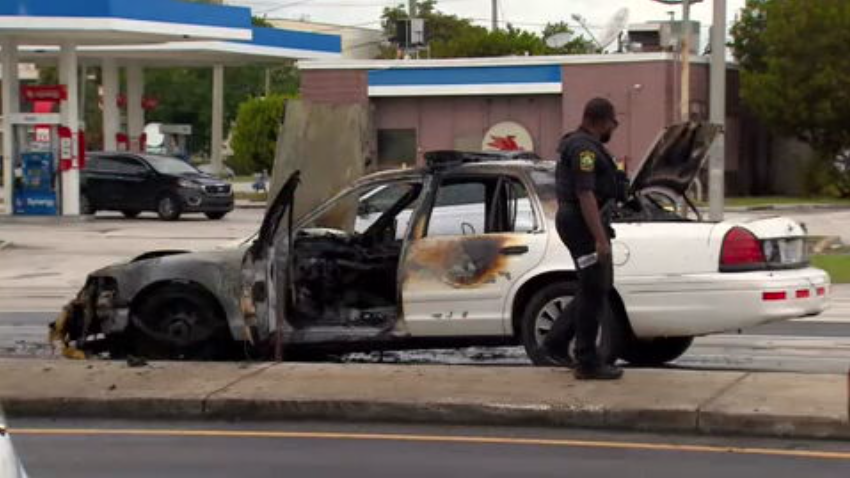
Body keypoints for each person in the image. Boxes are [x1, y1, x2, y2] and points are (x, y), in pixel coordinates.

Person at [544, 97, 626, 381]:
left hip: (583, 221)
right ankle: (587, 361)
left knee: (597, 285)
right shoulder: (582, 148)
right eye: (613, 123)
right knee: (594, 287)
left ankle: (556, 341)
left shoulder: (585, 145)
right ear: (601, 120)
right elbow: (585, 194)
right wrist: (599, 239)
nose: (613, 129)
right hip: (581, 223)